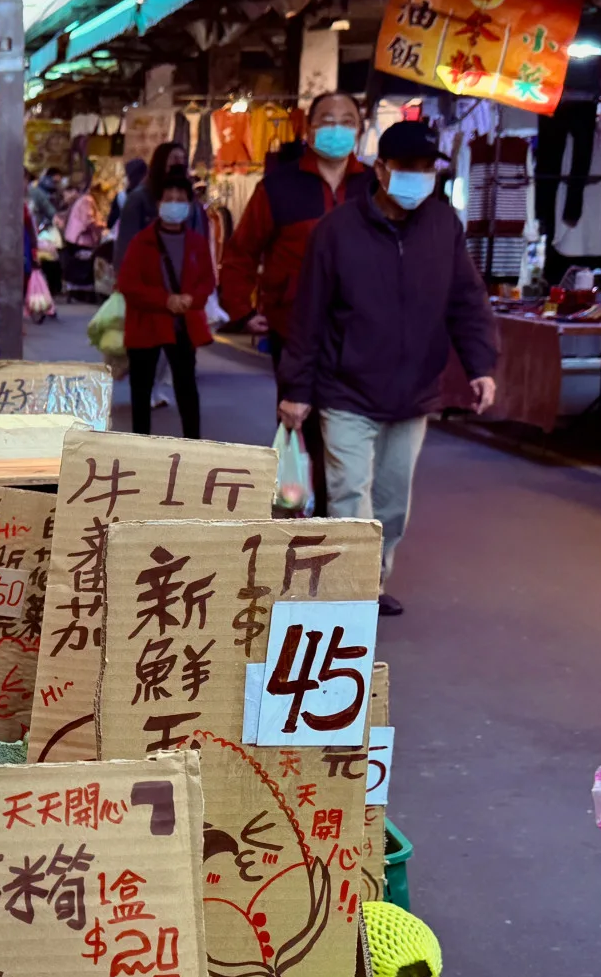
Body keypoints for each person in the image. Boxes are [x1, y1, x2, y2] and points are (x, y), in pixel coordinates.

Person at [279, 120, 498, 616]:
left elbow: (466, 301)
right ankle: (349, 593)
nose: (419, 179)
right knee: (349, 493)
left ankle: (372, 580)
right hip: (345, 390)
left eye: (427, 170)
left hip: (413, 392)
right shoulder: (335, 233)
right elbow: (308, 314)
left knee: (392, 503)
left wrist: (481, 365)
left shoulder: (444, 226)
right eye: (408, 169)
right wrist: (297, 387)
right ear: (380, 170)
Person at [220, 91, 371, 512]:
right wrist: (242, 310)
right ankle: (299, 511)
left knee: (347, 430)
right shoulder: (279, 188)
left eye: (346, 119)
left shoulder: (374, 187)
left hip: (359, 333)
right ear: (308, 128)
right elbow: (241, 251)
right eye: (327, 119)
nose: (337, 128)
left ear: (359, 129)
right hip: (293, 329)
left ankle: (333, 515)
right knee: (298, 420)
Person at [116, 169, 208, 438]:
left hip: (182, 325)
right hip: (146, 325)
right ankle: (141, 445)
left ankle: (194, 443)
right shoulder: (141, 242)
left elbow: (207, 281)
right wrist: (165, 300)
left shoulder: (197, 243)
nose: (175, 203)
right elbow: (128, 284)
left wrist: (192, 299)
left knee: (187, 387)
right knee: (141, 390)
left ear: (189, 205)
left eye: (181, 198)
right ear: (158, 204)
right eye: (170, 198)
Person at [115, 140, 205, 266]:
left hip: (185, 271)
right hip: (148, 269)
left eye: (183, 159)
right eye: (174, 158)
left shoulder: (192, 202)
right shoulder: (139, 198)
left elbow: (199, 239)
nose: (179, 163)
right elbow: (126, 242)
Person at [28, 165, 67, 232]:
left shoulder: (56, 192)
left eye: (58, 182)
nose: (57, 184)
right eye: (55, 181)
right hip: (40, 224)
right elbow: (47, 206)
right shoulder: (36, 191)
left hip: (47, 224)